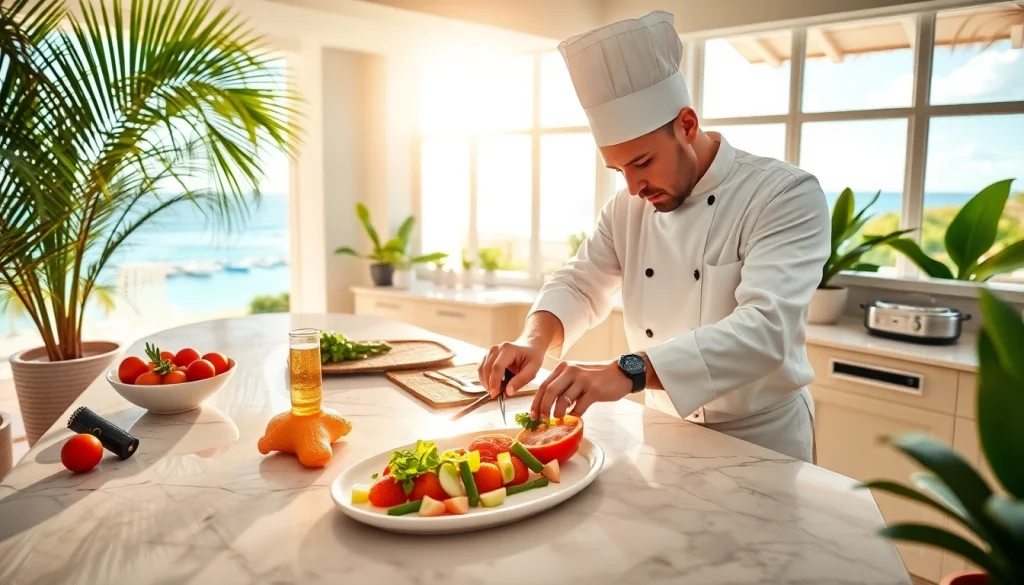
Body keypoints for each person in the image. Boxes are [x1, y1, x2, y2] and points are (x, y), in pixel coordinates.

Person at [477, 11, 831, 463]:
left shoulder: (783, 194)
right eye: (618, 169)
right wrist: (533, 340)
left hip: (763, 440)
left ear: (687, 125)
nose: (633, 188)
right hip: (665, 431)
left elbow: (765, 331)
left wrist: (628, 370)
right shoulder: (627, 208)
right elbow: (578, 283)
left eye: (642, 163)